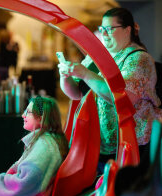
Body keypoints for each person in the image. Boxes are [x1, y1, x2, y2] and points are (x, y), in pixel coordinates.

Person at [58, 7, 161, 174]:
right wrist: (66, 76)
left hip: (132, 143)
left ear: (128, 30)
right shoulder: (96, 56)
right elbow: (76, 92)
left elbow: (123, 98)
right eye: (102, 29)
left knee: (122, 192)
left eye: (109, 29)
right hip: (99, 143)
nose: (104, 34)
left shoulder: (139, 59)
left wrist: (86, 74)